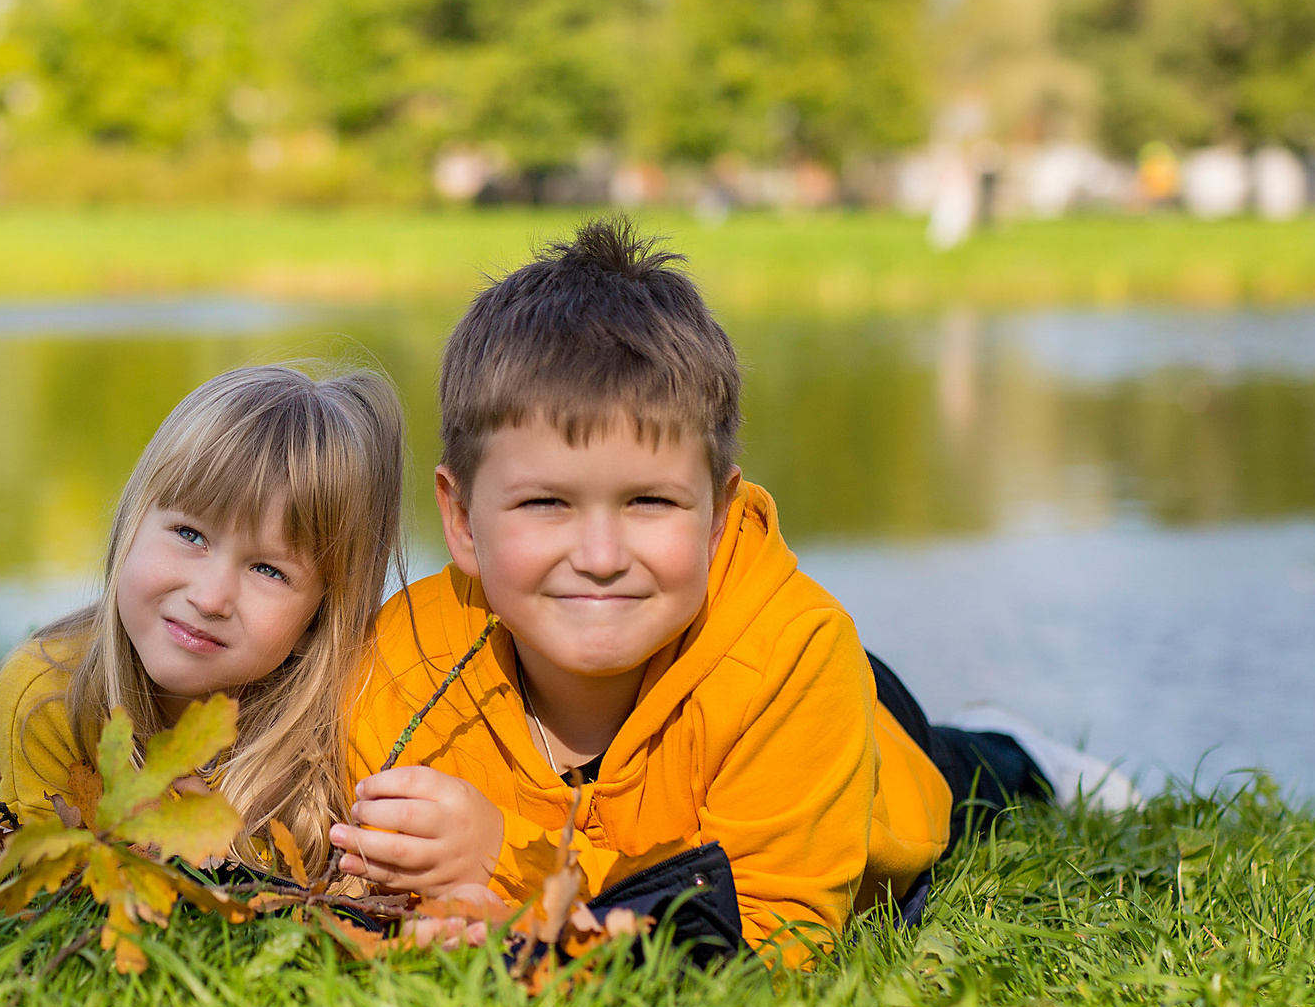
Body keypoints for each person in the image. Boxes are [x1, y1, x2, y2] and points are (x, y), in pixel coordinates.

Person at [329, 219, 1123, 962]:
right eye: (546, 502)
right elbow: (352, 874)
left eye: (649, 501)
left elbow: (776, 934)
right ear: (461, 519)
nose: (600, 556)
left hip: (856, 734)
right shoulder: (398, 662)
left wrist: (510, 860)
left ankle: (1018, 751)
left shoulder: (793, 657)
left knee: (967, 779)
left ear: (717, 516)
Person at [0, 362, 406, 878]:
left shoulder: (345, 728)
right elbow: (38, 880)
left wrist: (236, 857)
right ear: (131, 523)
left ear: (318, 618)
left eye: (268, 570)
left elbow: (357, 890)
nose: (210, 599)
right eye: (191, 535)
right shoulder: (48, 695)